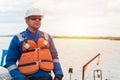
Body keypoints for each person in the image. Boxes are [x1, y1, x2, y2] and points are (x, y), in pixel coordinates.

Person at [6, 7, 63, 80]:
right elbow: (10, 62)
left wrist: (59, 73)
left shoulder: (47, 37)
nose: (37, 20)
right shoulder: (17, 39)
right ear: (27, 21)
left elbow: (55, 57)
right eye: (33, 18)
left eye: (39, 19)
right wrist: (20, 78)